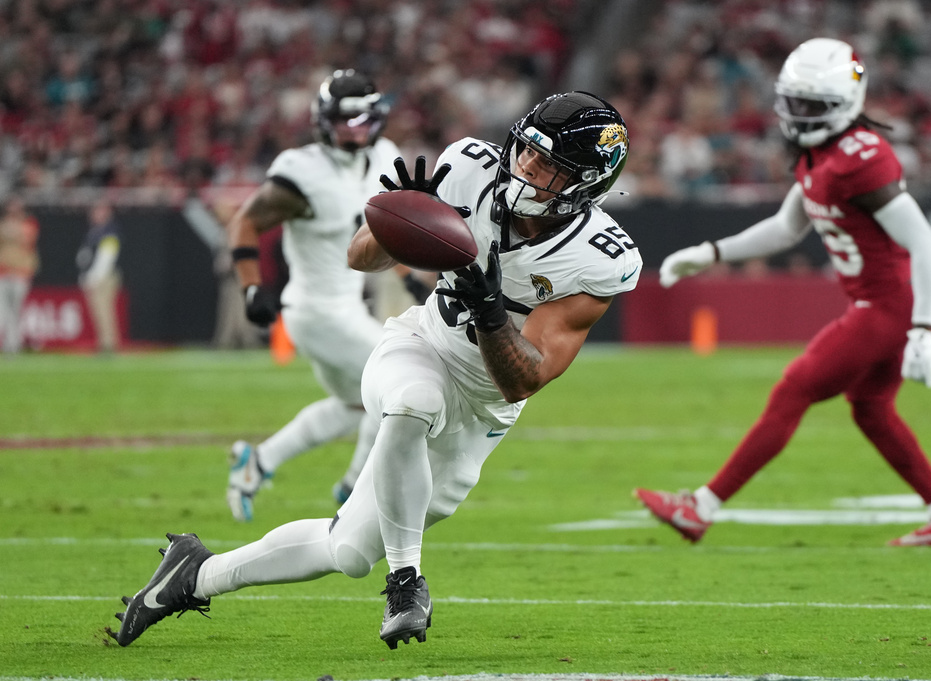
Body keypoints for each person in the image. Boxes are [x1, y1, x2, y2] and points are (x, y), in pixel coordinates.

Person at [112, 91, 639, 649]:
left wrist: (488, 307)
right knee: (414, 401)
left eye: (549, 164)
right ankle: (406, 581)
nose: (527, 167)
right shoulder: (469, 168)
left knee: (349, 551)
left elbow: (523, 378)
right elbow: (359, 256)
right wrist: (401, 213)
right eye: (528, 150)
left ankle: (193, 574)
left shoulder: (600, 257)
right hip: (420, 345)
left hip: (486, 406)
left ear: (587, 182)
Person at [636, 38, 931, 548]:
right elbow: (784, 228)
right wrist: (710, 252)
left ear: (843, 104)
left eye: (811, 105)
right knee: (871, 410)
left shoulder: (859, 158)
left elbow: (925, 243)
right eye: (794, 102)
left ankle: (700, 508)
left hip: (884, 308)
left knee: (794, 389)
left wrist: (925, 329)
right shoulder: (822, 153)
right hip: (880, 306)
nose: (797, 114)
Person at [223, 69, 403, 522]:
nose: (354, 129)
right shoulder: (304, 172)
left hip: (347, 308)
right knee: (398, 386)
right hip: (315, 312)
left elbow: (391, 232)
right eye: (344, 120)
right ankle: (355, 491)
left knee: (352, 406)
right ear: (323, 121)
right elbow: (244, 222)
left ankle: (258, 462)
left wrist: (416, 278)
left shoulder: (385, 157)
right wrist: (251, 288)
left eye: (362, 119)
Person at [77, 198, 122, 354]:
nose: (94, 214)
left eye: (98, 211)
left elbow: (107, 257)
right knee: (99, 312)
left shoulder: (108, 231)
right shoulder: (94, 231)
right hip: (95, 275)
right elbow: (87, 255)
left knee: (105, 311)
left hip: (105, 276)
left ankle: (109, 344)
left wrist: (94, 277)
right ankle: (105, 343)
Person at [0, 195, 39, 354]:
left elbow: (27, 239)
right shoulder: (3, 223)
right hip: (3, 271)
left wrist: (11, 229)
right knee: (3, 309)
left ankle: (13, 345)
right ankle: (7, 343)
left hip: (21, 273)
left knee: (15, 310)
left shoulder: (29, 222)